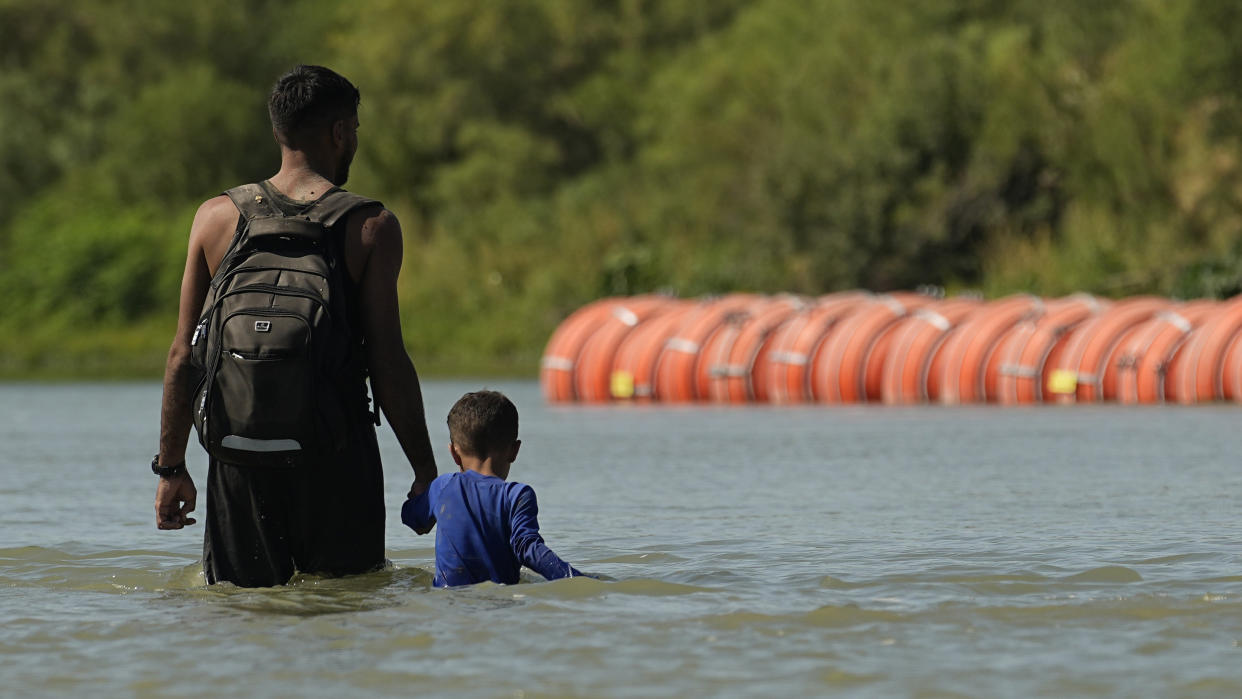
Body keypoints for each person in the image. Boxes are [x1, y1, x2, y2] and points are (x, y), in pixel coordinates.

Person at [153, 65, 438, 587]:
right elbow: (387, 360)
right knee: (345, 603)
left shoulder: (215, 217)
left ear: (278, 130)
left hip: (238, 458)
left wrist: (171, 469)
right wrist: (425, 472)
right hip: (336, 458)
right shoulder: (370, 226)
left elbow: (182, 356)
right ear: (339, 132)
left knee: (242, 612)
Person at [402, 390, 585, 587]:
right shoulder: (517, 496)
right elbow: (527, 547)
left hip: (449, 604)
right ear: (514, 451)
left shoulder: (442, 486)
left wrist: (419, 495)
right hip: (501, 603)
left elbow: (413, 519)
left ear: (455, 454)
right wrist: (578, 580)